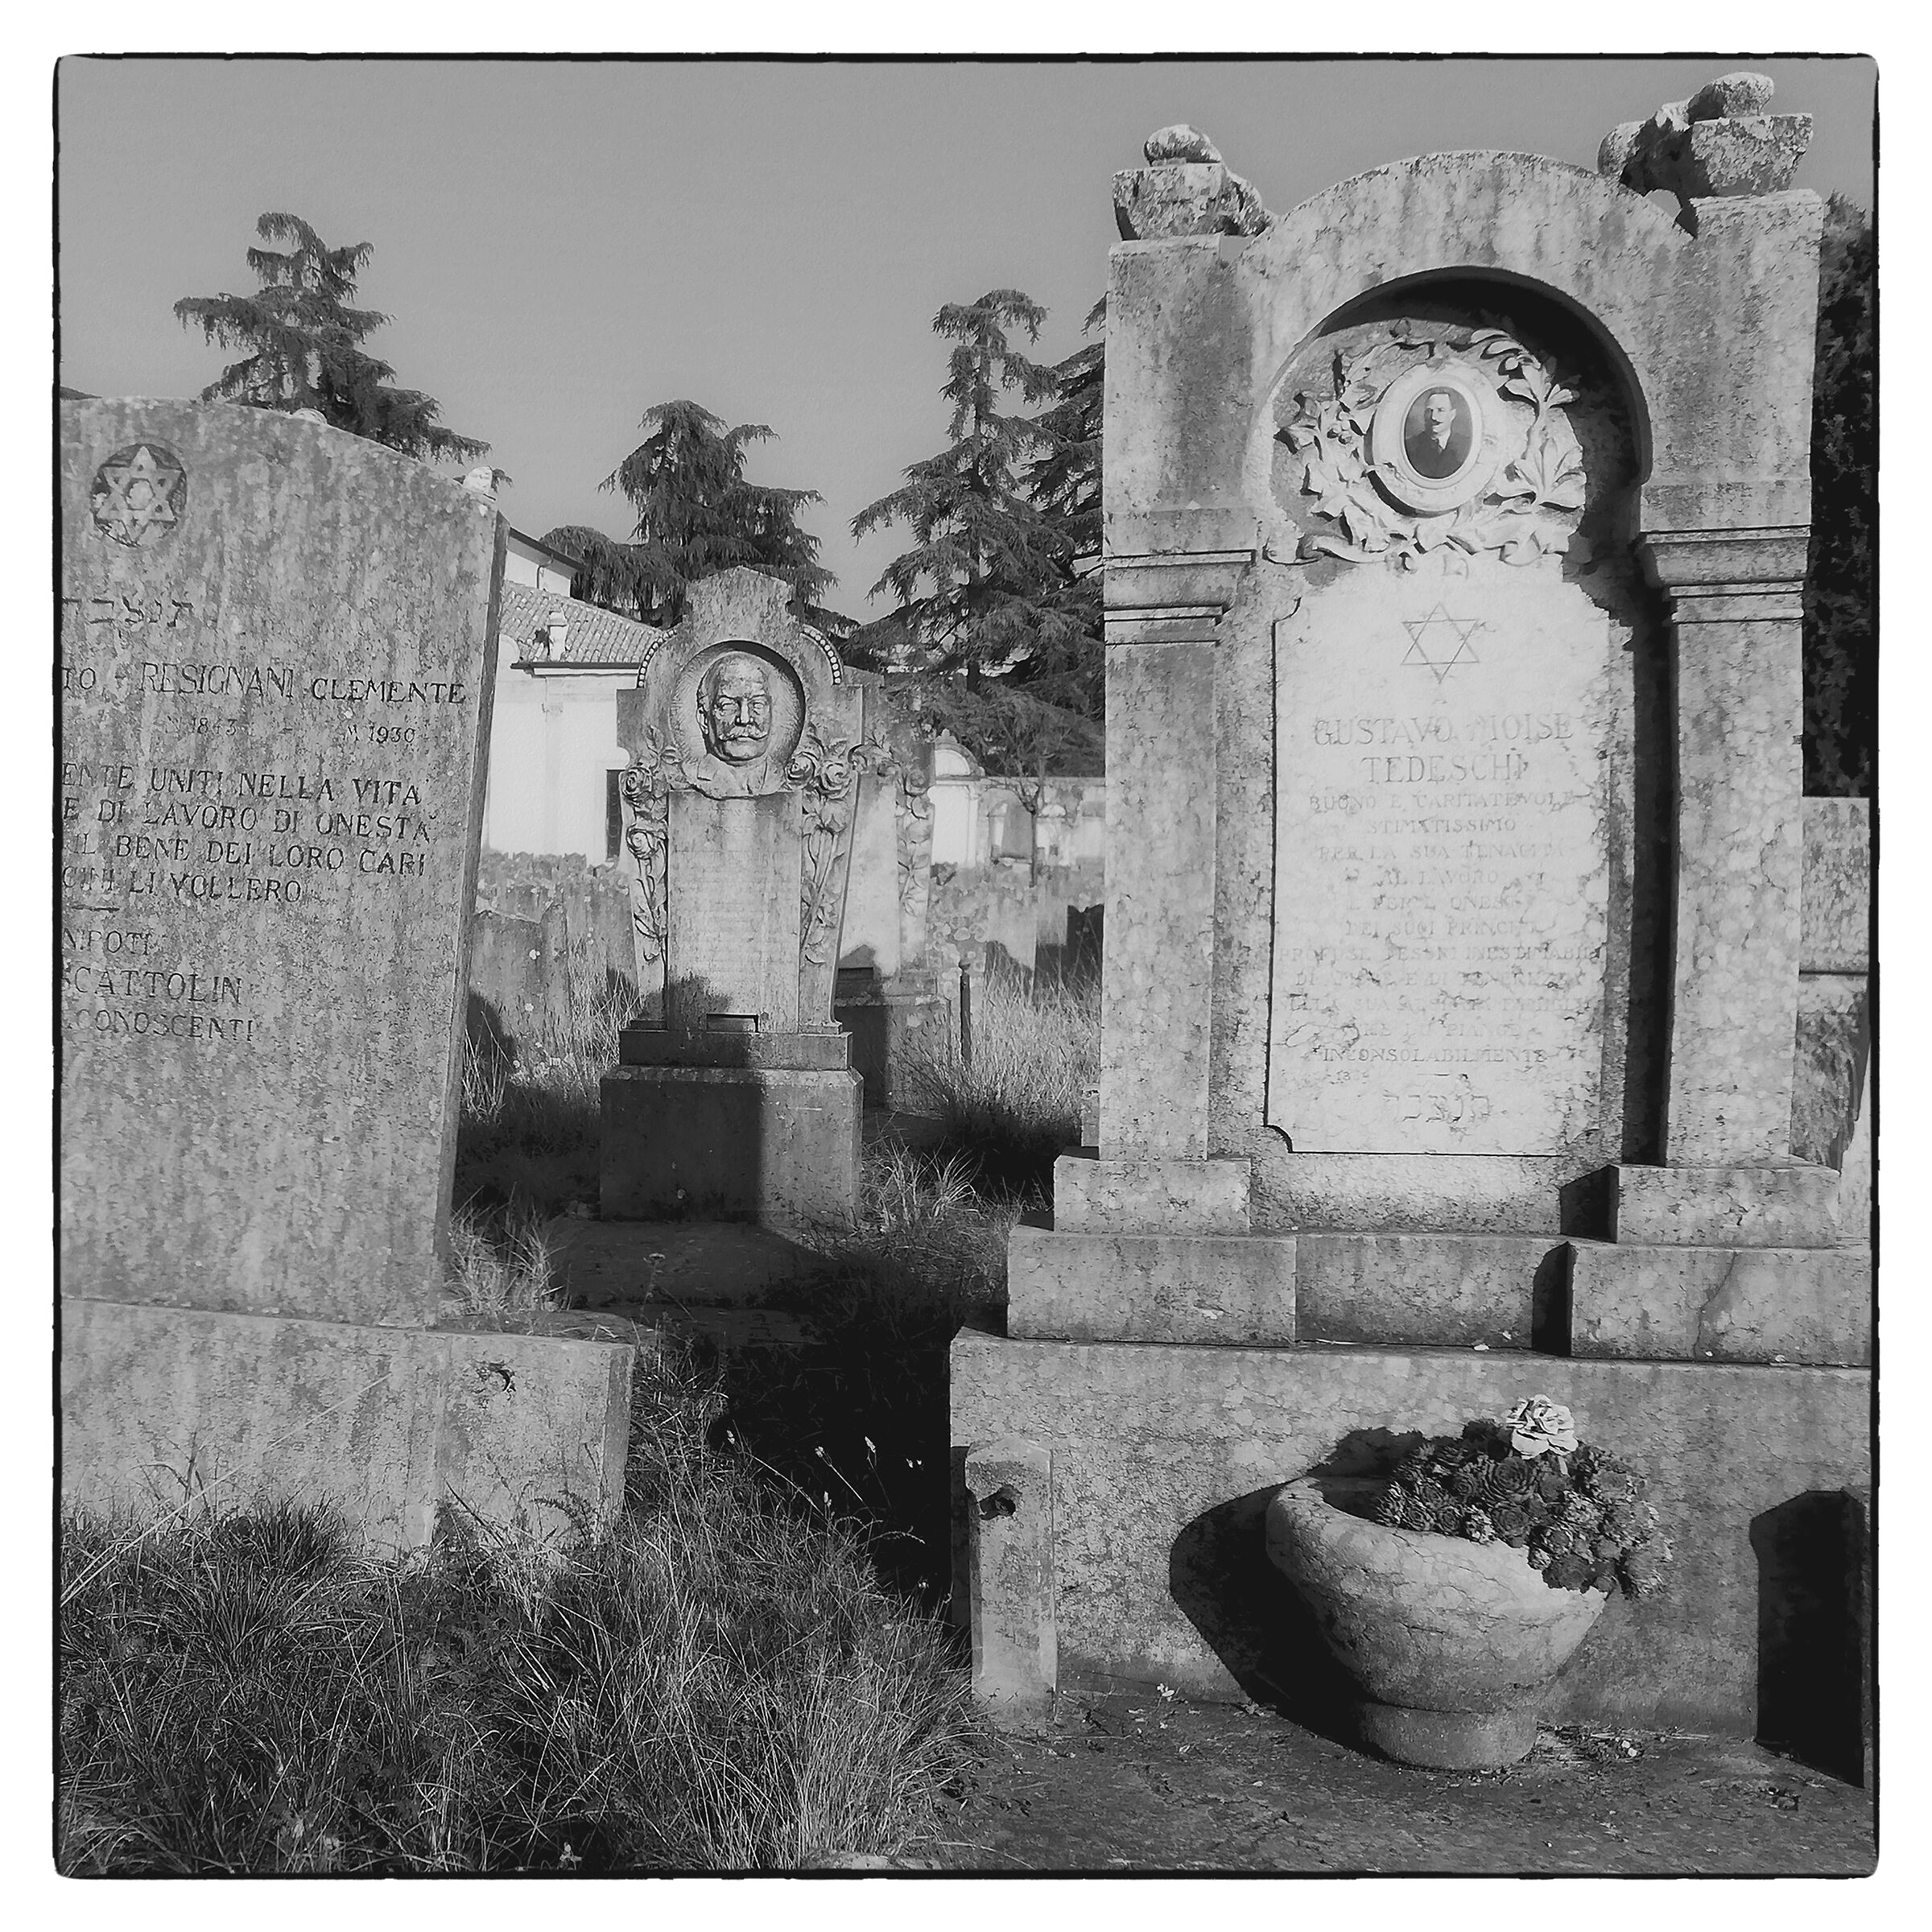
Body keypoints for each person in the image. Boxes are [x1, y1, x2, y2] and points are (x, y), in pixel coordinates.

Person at [690, 650, 779, 793]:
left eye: (757, 704)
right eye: (728, 706)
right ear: (704, 719)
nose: (744, 719)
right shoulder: (688, 776)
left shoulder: (781, 777)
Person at [1403, 388, 1471, 481]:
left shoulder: (1467, 445)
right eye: (1429, 411)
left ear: (1452, 414)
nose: (1433, 417)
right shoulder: (1410, 446)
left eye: (1440, 410)